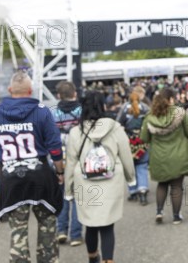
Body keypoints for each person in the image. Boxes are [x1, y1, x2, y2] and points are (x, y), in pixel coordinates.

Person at [0, 71, 64, 262]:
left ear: (10, 90)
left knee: (18, 231)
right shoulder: (42, 111)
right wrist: (60, 172)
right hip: (41, 177)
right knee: (48, 227)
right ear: (30, 90)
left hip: (11, 179)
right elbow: (55, 149)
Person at [64, 91, 136, 263]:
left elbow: (71, 163)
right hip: (110, 181)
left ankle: (93, 257)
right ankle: (108, 261)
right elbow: (126, 154)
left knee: (90, 224)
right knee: (107, 225)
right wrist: (130, 178)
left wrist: (68, 189)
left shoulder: (75, 132)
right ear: (103, 106)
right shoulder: (115, 128)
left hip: (85, 183)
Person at [140, 89, 188, 225]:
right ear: (171, 99)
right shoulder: (179, 113)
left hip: (158, 156)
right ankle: (176, 216)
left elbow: (144, 138)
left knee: (162, 184)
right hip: (178, 154)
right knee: (176, 186)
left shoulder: (149, 117)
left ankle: (159, 211)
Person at [51, 81, 84, 247]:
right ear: (75, 94)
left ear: (58, 96)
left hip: (59, 160)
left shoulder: (52, 113)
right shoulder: (82, 111)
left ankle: (61, 230)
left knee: (62, 195)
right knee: (78, 196)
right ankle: (76, 235)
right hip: (78, 158)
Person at [117, 87, 150, 205]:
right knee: (142, 166)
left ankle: (133, 191)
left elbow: (118, 124)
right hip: (142, 141)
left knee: (129, 167)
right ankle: (143, 191)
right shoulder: (145, 108)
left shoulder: (124, 108)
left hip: (128, 142)